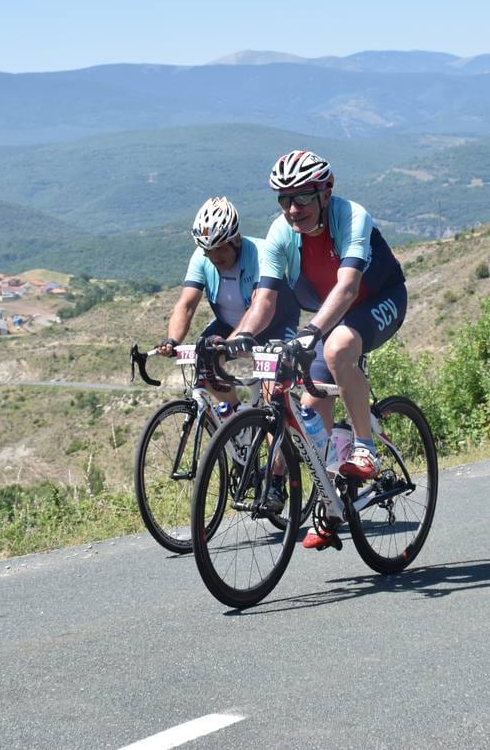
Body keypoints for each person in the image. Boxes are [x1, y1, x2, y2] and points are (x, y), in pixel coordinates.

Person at [224, 150, 408, 549]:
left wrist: (312, 332)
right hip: (330, 315)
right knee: (309, 409)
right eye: (284, 199)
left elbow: (348, 287)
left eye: (303, 197)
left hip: (377, 301)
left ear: (326, 192)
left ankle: (366, 448)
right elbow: (265, 299)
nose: (293, 208)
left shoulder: (351, 217)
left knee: (338, 347)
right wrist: (241, 335)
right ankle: (334, 501)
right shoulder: (280, 233)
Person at [155, 196, 299, 414]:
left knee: (272, 402)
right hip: (228, 325)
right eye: (207, 250)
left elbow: (259, 305)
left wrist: (228, 343)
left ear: (237, 240)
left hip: (274, 324)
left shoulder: (262, 253)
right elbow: (186, 305)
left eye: (220, 248)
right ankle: (235, 420)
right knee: (204, 359)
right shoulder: (201, 258)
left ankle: (278, 439)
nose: (214, 256)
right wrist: (172, 340)